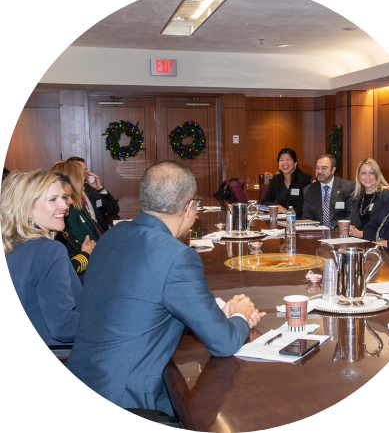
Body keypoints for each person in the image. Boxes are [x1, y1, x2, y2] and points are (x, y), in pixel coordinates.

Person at [67, 161, 265, 415]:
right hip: (128, 398)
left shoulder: (112, 236)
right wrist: (240, 317)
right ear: (190, 208)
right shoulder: (177, 256)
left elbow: (142, 303)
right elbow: (224, 344)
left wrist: (213, 316)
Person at [1, 170, 83, 346]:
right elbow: (63, 326)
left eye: (63, 197)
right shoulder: (48, 250)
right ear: (26, 208)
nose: (64, 205)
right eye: (53, 200)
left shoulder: (10, 244)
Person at [54, 173, 96, 276]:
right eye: (65, 197)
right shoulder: (47, 238)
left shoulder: (62, 228)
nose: (71, 201)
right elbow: (64, 272)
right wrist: (86, 254)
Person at [50, 161, 103, 243]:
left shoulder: (78, 203)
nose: (84, 178)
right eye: (81, 175)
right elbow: (78, 242)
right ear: (73, 179)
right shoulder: (67, 209)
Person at [301, 154, 355, 228]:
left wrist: (337, 233)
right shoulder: (309, 190)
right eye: (317, 168)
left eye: (324, 168)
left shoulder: (348, 187)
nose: (319, 171)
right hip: (318, 234)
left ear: (333, 169)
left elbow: (351, 217)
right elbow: (307, 218)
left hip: (339, 233)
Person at [67, 156, 120, 231]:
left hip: (102, 233)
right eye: (80, 171)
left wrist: (100, 188)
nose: (84, 174)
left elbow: (113, 210)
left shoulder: (91, 192)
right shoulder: (68, 197)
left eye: (85, 170)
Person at [349, 158, 389, 238]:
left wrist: (362, 234)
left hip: (377, 243)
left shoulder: (387, 194)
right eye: (363, 173)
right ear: (359, 176)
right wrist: (351, 229)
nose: (367, 177)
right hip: (357, 242)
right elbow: (354, 223)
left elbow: (388, 227)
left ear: (377, 174)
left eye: (372, 173)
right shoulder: (357, 196)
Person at [261, 148, 311, 218]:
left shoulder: (304, 178)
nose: (284, 163)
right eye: (281, 160)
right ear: (278, 164)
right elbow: (265, 201)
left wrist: (288, 212)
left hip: (299, 218)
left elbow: (305, 203)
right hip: (282, 218)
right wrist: (277, 206)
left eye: (288, 159)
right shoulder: (276, 179)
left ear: (295, 164)